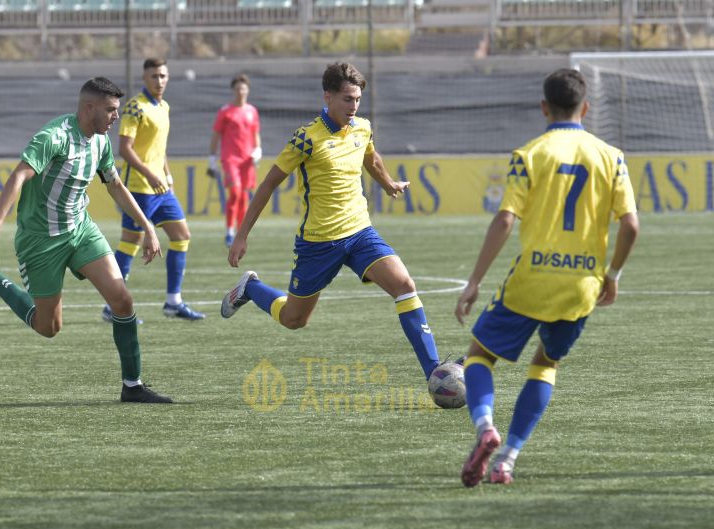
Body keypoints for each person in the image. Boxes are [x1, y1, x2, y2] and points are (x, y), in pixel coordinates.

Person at [454, 68, 639, 487]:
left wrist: (474, 281)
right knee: (546, 361)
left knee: (480, 353)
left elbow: (505, 219)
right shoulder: (612, 157)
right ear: (586, 107)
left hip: (531, 280)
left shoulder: (530, 153)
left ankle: (485, 427)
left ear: (544, 107)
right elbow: (631, 226)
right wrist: (612, 275)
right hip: (581, 285)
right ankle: (507, 460)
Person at [221, 62, 446, 388]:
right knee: (294, 320)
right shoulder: (305, 138)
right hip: (318, 242)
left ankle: (434, 373)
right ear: (327, 96)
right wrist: (241, 236)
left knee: (405, 286)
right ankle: (251, 288)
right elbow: (268, 184)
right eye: (347, 99)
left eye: (357, 99)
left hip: (360, 232)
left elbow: (371, 157)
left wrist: (387, 184)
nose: (353, 107)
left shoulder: (362, 127)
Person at [0, 77, 173, 404]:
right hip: (41, 241)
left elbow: (114, 185)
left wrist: (147, 227)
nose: (116, 116)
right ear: (90, 108)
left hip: (81, 230)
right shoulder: (54, 137)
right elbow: (18, 175)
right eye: (111, 110)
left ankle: (132, 386)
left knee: (123, 300)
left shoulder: (100, 140)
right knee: (48, 327)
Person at [102, 58, 205, 322]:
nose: (159, 81)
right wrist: (149, 173)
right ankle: (112, 306)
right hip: (139, 189)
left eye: (163, 76)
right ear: (144, 78)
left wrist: (167, 174)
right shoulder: (136, 107)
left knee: (182, 236)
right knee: (130, 244)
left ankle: (173, 302)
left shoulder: (164, 106)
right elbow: (125, 148)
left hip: (161, 189)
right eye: (154, 76)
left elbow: (159, 148)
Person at [207, 73, 262, 247]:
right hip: (230, 159)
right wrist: (212, 158)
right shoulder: (225, 111)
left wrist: (258, 149)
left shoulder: (252, 111)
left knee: (244, 196)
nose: (241, 91)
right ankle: (229, 231)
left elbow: (255, 134)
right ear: (233, 90)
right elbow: (216, 135)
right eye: (238, 88)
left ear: (248, 91)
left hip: (247, 159)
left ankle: (240, 232)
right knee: (235, 193)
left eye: (243, 88)